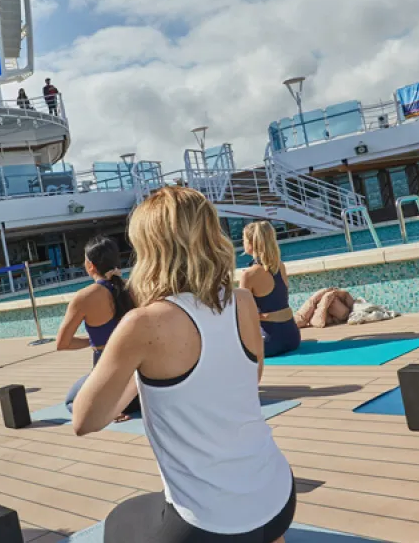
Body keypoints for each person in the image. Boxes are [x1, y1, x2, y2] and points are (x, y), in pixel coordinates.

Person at [72, 187, 296, 543]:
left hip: (206, 526)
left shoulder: (143, 324)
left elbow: (84, 421)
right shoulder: (242, 301)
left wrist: (134, 363)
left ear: (149, 250)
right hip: (278, 498)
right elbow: (249, 378)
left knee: (118, 523)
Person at [56, 235, 140, 420]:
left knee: (71, 400)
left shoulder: (85, 297)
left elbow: (62, 343)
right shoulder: (133, 289)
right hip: (139, 385)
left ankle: (111, 410)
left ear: (90, 265)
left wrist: (93, 341)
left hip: (110, 388)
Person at [239, 221, 302, 358]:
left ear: (251, 243)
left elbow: (242, 314)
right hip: (293, 337)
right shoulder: (280, 266)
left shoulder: (249, 275)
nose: (243, 243)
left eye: (243, 239)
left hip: (269, 342)